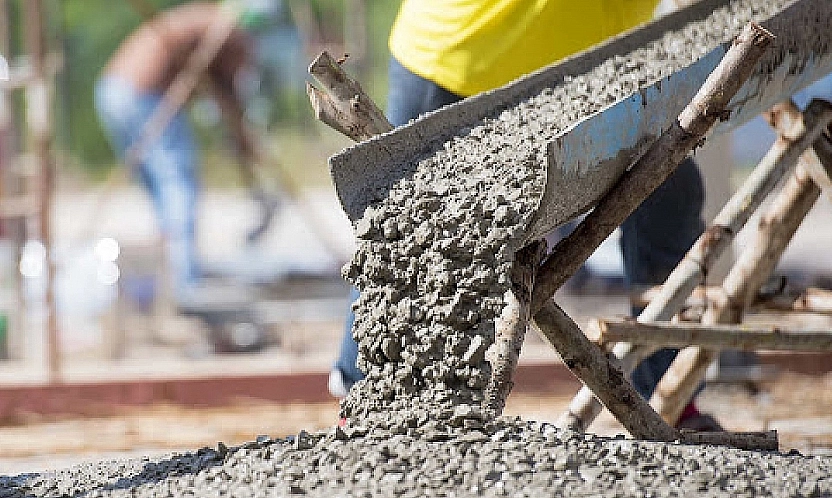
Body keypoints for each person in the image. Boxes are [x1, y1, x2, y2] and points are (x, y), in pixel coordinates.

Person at [329, 0, 722, 431]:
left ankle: (671, 395)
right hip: (463, 59)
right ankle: (367, 401)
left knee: (669, 191)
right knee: (413, 236)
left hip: (597, 73)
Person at [94, 1, 276, 305]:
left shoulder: (205, 22)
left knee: (161, 189)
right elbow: (230, 96)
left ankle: (170, 273)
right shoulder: (229, 33)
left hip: (112, 91)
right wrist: (244, 141)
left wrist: (240, 138)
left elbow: (222, 95)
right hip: (142, 93)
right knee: (178, 180)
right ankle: (185, 282)